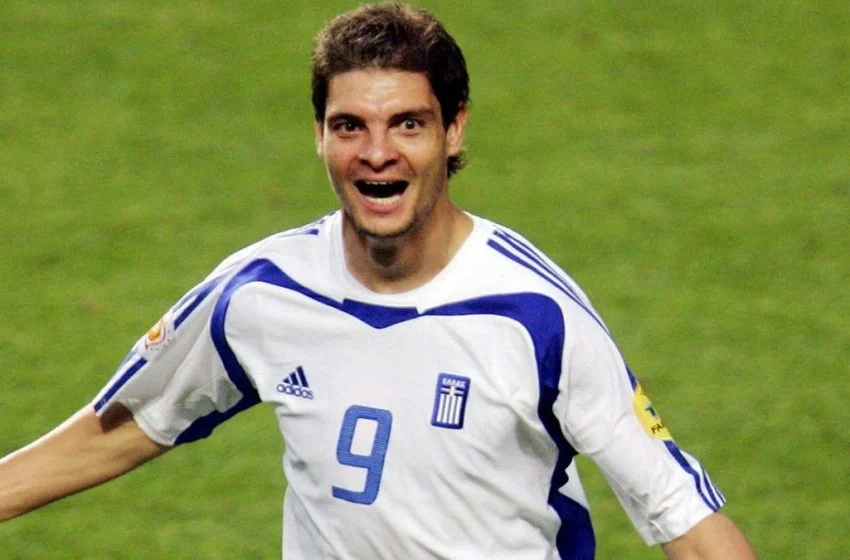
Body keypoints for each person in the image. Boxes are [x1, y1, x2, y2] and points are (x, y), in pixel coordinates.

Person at [0, 3, 756, 559]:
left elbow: (682, 517)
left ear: (454, 130)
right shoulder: (263, 292)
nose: (376, 153)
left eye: (408, 124)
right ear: (319, 135)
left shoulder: (535, 316)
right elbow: (129, 423)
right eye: (349, 126)